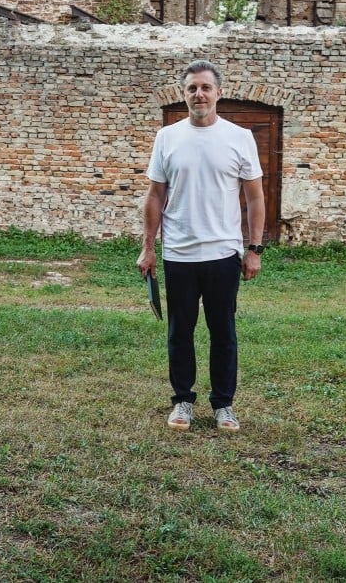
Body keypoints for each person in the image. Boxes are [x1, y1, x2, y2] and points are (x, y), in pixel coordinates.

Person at [137, 59, 265, 432]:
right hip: (179, 253)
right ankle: (182, 402)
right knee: (180, 333)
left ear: (218, 92)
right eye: (192, 88)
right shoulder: (168, 137)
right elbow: (155, 195)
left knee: (223, 331)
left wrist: (253, 248)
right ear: (184, 93)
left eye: (206, 87)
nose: (199, 94)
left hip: (224, 255)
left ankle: (224, 405)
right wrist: (148, 247)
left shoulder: (240, 138)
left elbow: (256, 198)